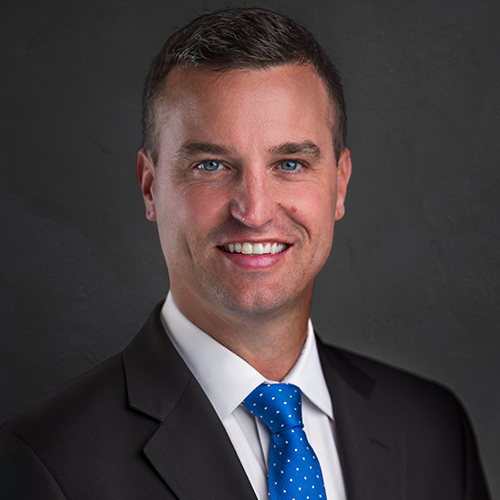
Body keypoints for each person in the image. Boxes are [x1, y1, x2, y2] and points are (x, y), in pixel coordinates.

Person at [0, 8, 490, 500]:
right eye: (211, 165)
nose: (254, 212)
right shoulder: (44, 463)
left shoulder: (432, 427)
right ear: (150, 187)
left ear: (339, 184)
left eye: (290, 164)